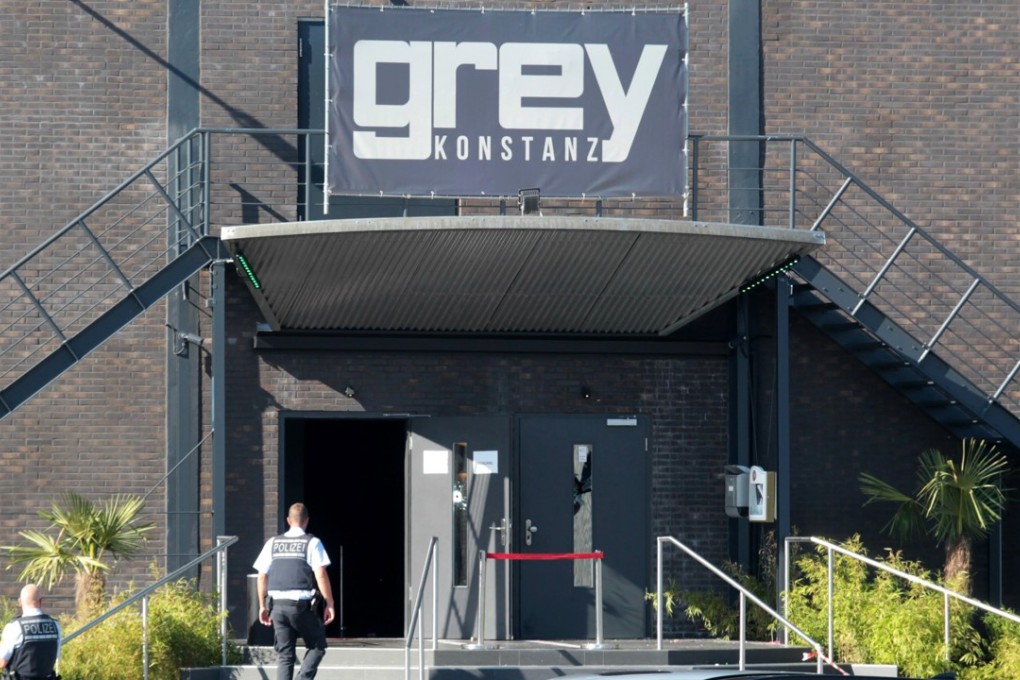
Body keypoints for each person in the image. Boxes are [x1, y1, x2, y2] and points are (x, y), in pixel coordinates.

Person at [254, 502, 335, 680]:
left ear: (288, 520)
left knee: (285, 655)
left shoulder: (273, 543)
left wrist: (261, 606)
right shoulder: (312, 543)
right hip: (301, 607)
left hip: (277, 607)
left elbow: (261, 576)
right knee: (317, 646)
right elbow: (320, 574)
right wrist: (329, 603)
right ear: (307, 521)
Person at [0, 584, 61, 680]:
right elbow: (56, 655)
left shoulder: (14, 627)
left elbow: (2, 662)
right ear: (41, 602)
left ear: (20, 602)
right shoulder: (55, 626)